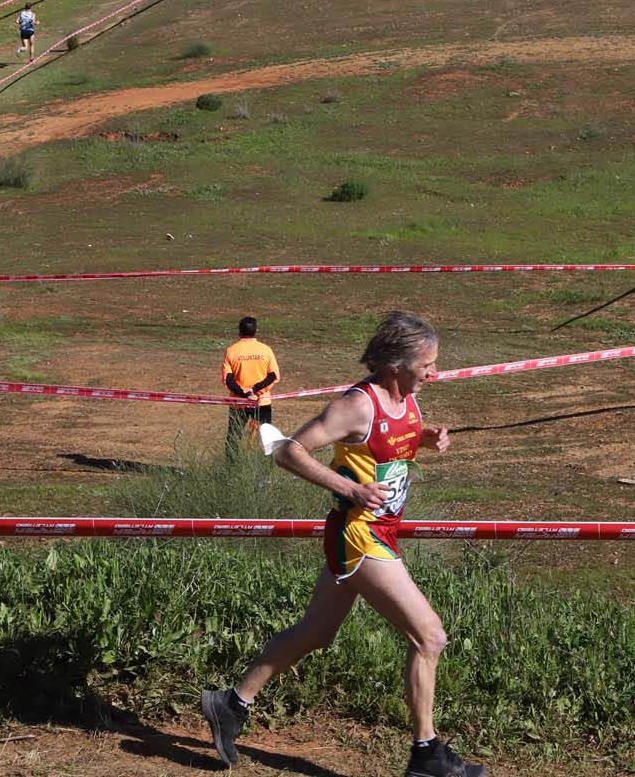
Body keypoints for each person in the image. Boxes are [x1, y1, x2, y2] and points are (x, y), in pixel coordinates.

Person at [201, 312, 486, 777]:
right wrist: (350, 489)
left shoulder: (408, 399)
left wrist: (424, 438)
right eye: (428, 364)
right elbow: (289, 451)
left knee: (316, 633)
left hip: (380, 531)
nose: (435, 373)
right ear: (396, 364)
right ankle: (426, 755)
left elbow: (386, 449)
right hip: (359, 534)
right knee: (429, 635)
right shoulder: (357, 405)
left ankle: (229, 704)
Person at [222, 316, 281, 455]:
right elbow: (273, 376)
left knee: (234, 438)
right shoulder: (266, 350)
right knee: (265, 438)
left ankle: (231, 468)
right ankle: (264, 467)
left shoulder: (231, 351)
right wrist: (255, 390)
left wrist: (244, 393)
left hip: (239, 402)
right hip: (262, 402)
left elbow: (228, 379)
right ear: (256, 331)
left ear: (239, 331)